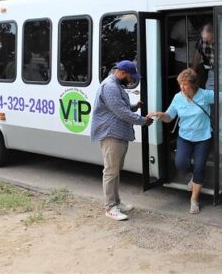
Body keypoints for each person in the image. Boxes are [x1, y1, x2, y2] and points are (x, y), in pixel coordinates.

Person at [91, 60, 153, 221]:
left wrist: (133, 106)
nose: (132, 80)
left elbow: (119, 107)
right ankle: (110, 207)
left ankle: (116, 202)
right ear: (123, 73)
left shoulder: (115, 85)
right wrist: (143, 121)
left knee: (115, 170)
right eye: (131, 77)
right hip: (111, 134)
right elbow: (121, 112)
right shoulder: (110, 87)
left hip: (117, 133)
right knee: (111, 171)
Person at [147, 68, 214, 214]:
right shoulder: (178, 97)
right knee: (181, 164)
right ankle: (195, 176)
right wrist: (161, 114)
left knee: (199, 167)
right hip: (185, 137)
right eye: (180, 84)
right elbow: (170, 116)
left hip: (203, 137)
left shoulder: (206, 95)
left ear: (194, 84)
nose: (182, 87)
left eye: (185, 84)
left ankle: (194, 200)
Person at [192, 23, 215, 90]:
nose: (207, 41)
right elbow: (197, 56)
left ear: (214, 34)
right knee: (209, 90)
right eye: (205, 39)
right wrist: (192, 71)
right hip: (213, 70)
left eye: (210, 39)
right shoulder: (202, 41)